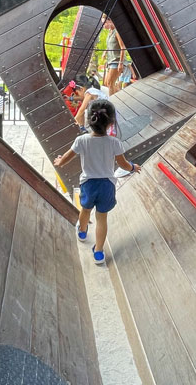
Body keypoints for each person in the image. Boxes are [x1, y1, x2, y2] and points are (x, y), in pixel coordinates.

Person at [53, 98, 139, 264]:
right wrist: (133, 168)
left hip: (88, 184)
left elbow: (66, 157)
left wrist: (59, 162)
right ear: (111, 122)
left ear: (89, 119)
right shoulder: (115, 142)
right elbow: (123, 164)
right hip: (107, 185)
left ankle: (83, 231)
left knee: (85, 210)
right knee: (102, 218)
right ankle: (99, 252)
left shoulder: (82, 140)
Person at [101, 23, 126, 95]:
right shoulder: (109, 32)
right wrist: (104, 53)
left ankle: (112, 102)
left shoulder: (117, 32)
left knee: (110, 83)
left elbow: (122, 47)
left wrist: (121, 63)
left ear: (110, 21)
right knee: (106, 83)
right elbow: (110, 46)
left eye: (104, 23)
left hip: (117, 61)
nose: (103, 26)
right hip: (110, 60)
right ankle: (120, 96)